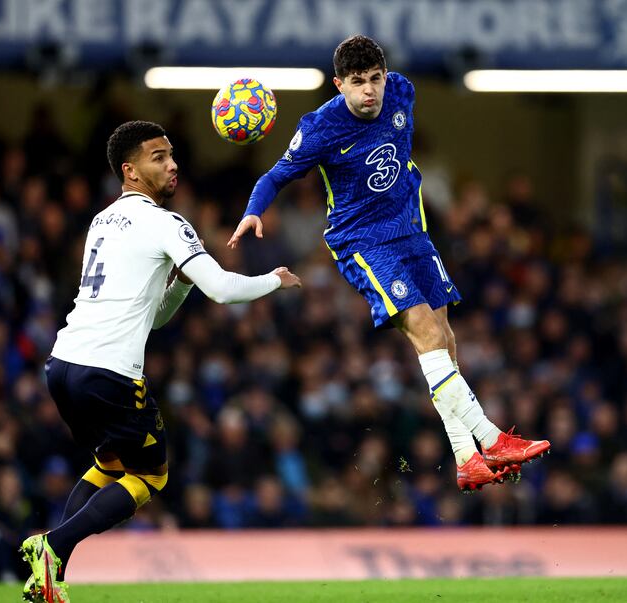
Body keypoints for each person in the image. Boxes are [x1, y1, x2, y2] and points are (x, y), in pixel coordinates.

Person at [229, 35, 549, 494]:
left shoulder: (402, 91)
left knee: (445, 341)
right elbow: (274, 175)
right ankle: (492, 439)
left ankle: (465, 459)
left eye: (375, 79)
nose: (369, 92)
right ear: (339, 84)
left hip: (412, 233)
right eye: (357, 82)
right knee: (425, 332)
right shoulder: (320, 127)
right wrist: (254, 210)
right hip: (363, 241)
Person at [21, 120, 301, 603]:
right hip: (109, 372)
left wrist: (181, 283)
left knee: (108, 465)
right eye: (158, 157)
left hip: (63, 365)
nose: (172, 165)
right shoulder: (166, 222)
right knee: (151, 476)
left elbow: (153, 318)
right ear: (129, 171)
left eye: (171, 154)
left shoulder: (101, 220)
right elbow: (225, 289)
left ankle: (50, 573)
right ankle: (53, 544)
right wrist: (275, 279)